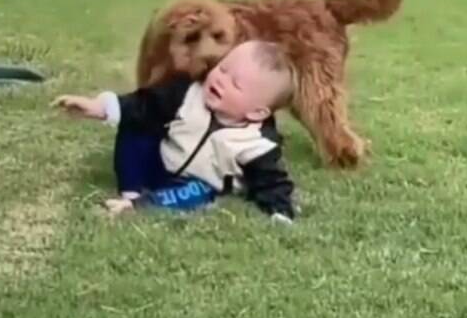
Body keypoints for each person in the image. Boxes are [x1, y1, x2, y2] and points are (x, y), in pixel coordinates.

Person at [54, 40, 297, 224]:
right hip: (161, 162)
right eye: (223, 69)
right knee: (137, 126)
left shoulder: (256, 144)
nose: (221, 80)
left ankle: (141, 205)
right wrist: (100, 108)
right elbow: (143, 105)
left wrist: (280, 211)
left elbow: (272, 181)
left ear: (257, 113)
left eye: (235, 83)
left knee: (197, 193)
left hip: (195, 183)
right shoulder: (187, 94)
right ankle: (131, 189)